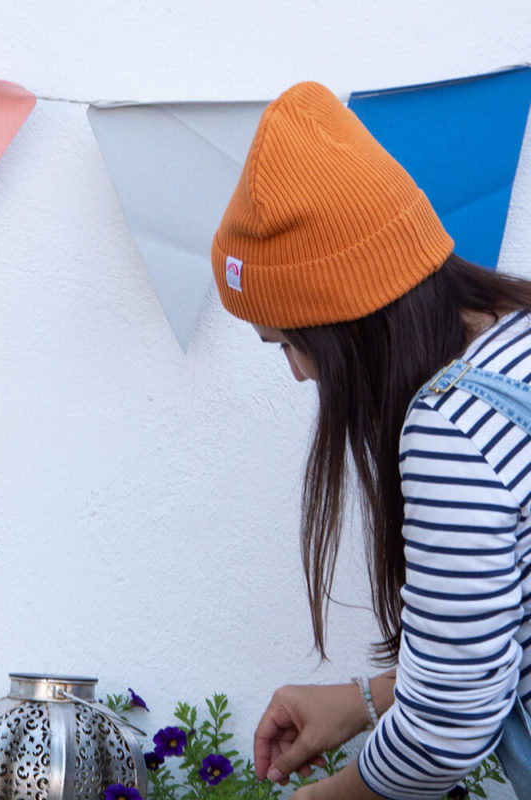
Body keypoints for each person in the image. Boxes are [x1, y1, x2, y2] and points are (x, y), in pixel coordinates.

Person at [210, 80, 531, 799]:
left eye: (288, 343)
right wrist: (363, 698)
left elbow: (450, 722)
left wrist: (329, 797)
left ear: (347, 322)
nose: (296, 373)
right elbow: (491, 650)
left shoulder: (453, 426)